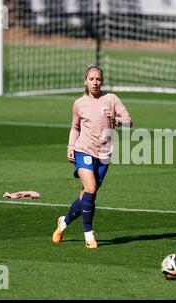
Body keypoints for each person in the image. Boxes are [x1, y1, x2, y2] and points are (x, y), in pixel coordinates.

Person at [52, 65, 132, 249]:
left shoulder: (111, 99)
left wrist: (117, 120)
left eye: (98, 79)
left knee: (86, 196)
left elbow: (129, 121)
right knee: (91, 187)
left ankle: (63, 223)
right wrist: (71, 146)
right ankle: (89, 235)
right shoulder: (79, 103)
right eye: (91, 79)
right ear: (85, 81)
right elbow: (75, 127)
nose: (95, 82)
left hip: (104, 155)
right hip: (84, 150)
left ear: (102, 81)